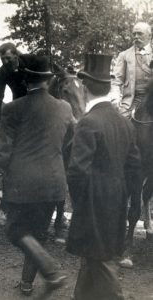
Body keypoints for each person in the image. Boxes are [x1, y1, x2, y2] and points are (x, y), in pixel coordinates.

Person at [0, 55, 73, 296]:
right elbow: (69, 140)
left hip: (21, 184)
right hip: (54, 183)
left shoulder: (13, 108)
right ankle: (27, 283)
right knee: (38, 233)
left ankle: (51, 271)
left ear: (26, 80)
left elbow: (2, 148)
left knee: (15, 230)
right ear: (47, 81)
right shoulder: (65, 108)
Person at [66, 54, 142, 300]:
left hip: (92, 201)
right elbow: (135, 166)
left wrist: (80, 202)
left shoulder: (88, 123)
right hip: (117, 199)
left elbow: (77, 171)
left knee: (102, 260)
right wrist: (126, 195)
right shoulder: (124, 123)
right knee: (93, 256)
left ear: (85, 88)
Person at [112, 21, 152, 118]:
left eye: (140, 33)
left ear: (149, 36)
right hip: (132, 102)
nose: (136, 36)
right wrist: (115, 98)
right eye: (134, 34)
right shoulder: (124, 55)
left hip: (151, 99)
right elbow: (116, 81)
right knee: (121, 125)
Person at [0, 42, 28, 126]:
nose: (5, 62)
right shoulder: (2, 72)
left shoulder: (29, 63)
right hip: (18, 104)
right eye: (2, 59)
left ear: (16, 56)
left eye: (8, 58)